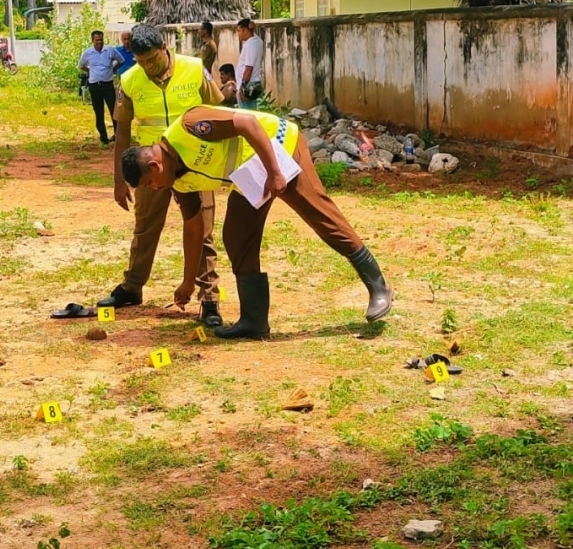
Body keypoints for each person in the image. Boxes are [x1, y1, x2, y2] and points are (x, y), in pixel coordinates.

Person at [120, 106, 393, 339]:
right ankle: (254, 321)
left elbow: (247, 123)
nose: (155, 189)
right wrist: (188, 282)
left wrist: (275, 171)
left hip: (277, 145)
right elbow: (193, 229)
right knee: (236, 236)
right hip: (249, 172)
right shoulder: (178, 182)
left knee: (318, 213)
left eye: (149, 183)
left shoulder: (189, 127)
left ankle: (378, 286)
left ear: (155, 166)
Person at [97, 23, 224, 327]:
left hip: (193, 166)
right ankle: (132, 287)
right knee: (145, 228)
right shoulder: (129, 80)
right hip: (151, 168)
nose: (148, 67)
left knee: (202, 230)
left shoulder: (194, 69)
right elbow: (123, 131)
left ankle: (209, 299)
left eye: (152, 59)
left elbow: (221, 111)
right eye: (141, 62)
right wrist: (120, 179)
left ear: (165, 47)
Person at [78, 30, 123, 145]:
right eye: (97, 40)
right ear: (92, 40)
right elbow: (81, 65)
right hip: (94, 86)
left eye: (101, 39)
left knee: (114, 110)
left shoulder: (110, 50)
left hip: (107, 85)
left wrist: (113, 69)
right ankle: (103, 138)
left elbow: (121, 60)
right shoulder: (87, 53)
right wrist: (90, 71)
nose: (99, 42)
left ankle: (118, 135)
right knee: (99, 111)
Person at [236, 18, 265, 109]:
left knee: (246, 115)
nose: (238, 34)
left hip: (248, 85)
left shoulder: (250, 44)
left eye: (239, 31)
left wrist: (242, 89)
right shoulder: (258, 41)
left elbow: (248, 68)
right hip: (253, 83)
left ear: (245, 30)